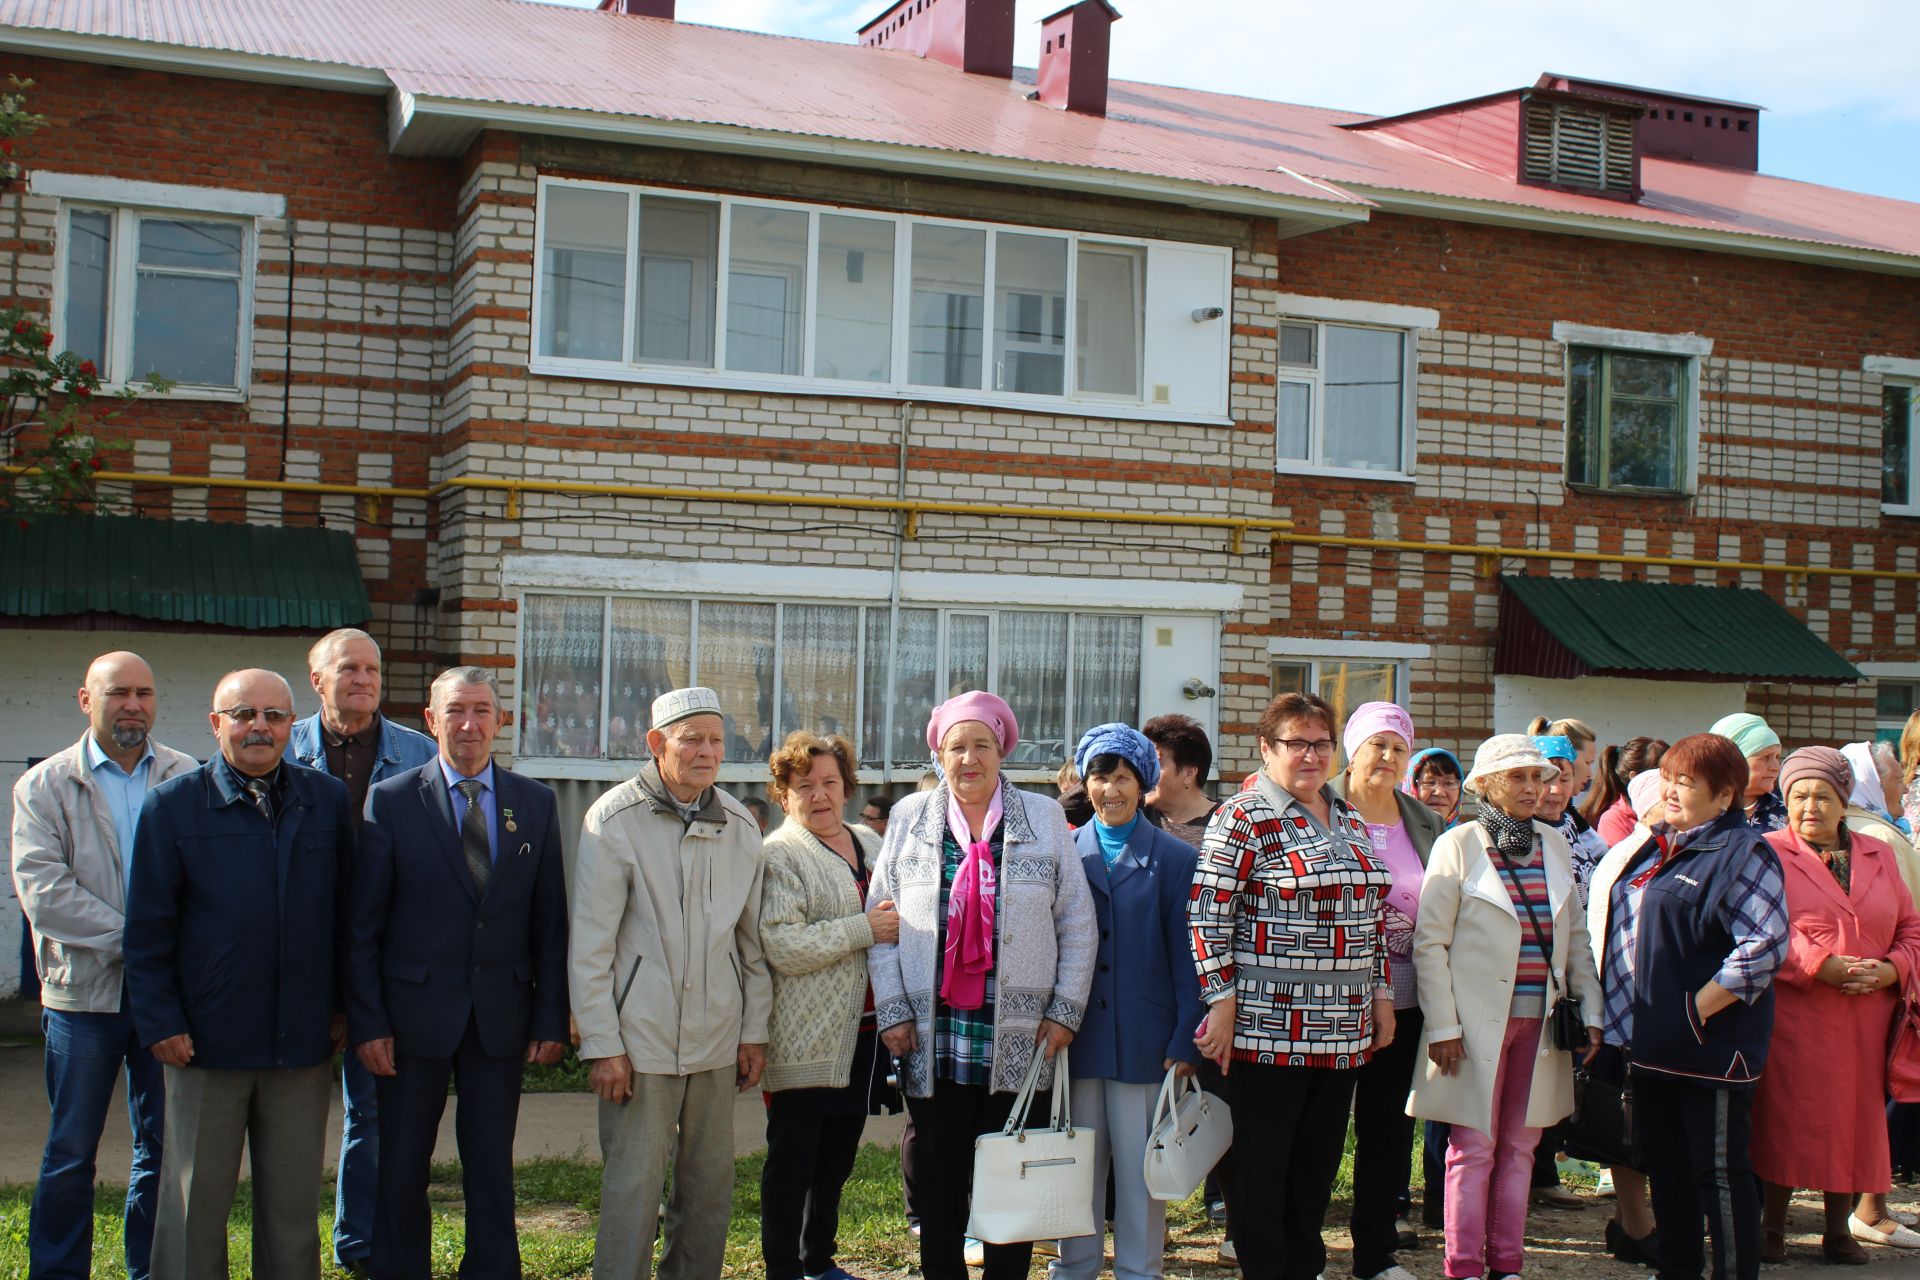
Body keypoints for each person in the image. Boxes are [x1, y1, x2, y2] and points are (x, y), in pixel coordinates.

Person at [125, 669, 355, 1280]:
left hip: (301, 1043)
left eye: (275, 716)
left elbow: (349, 917)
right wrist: (161, 1021)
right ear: (215, 723)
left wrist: (343, 1006)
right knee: (193, 1210)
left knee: (290, 1213)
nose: (260, 727)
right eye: (244, 714)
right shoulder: (172, 807)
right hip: (204, 1046)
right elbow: (147, 931)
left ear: (291, 724)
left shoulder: (325, 800)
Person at [346, 667, 569, 1280]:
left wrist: (550, 1014)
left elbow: (549, 921)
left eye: (481, 711)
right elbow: (363, 926)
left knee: (491, 1163)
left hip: (499, 1015)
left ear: (501, 720)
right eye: (455, 711)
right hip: (410, 1018)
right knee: (402, 1165)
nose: (468, 724)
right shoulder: (390, 799)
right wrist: (367, 1022)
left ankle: (493, 1268)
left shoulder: (536, 803)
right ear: (430, 718)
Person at [866, 691, 1096, 1280]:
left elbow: (1075, 920)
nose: (969, 758)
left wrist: (1065, 1010)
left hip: (1018, 1032)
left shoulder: (1042, 818)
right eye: (956, 746)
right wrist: (892, 1010)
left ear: (1002, 752)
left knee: (1009, 1181)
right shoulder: (910, 820)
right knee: (940, 1183)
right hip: (932, 1031)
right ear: (939, 754)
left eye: (981, 745)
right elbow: (882, 922)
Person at [1190, 690, 1395, 1280]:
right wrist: (1220, 1003)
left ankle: (1304, 1267)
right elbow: (1208, 914)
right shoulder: (1245, 816)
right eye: (1296, 743)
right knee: (1262, 1166)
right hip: (1267, 1024)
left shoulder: (1349, 814)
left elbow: (1371, 916)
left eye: (1321, 743)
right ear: (1266, 747)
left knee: (1316, 1163)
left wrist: (1381, 996)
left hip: (1344, 1027)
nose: (1310, 755)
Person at [569, 686, 772, 1280]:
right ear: (657, 744)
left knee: (708, 1189)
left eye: (716, 739)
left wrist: (753, 1032)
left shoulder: (738, 824)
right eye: (693, 739)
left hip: (716, 1036)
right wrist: (603, 1044)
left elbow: (752, 945)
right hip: (641, 1040)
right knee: (633, 1187)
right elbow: (591, 946)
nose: (708, 751)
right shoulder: (613, 819)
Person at [11, 652, 196, 1280]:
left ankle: (151, 1268)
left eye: (144, 692)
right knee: (70, 1150)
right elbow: (44, 891)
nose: (133, 705)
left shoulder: (184, 775)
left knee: (165, 1150)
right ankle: (59, 1272)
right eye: (118, 692)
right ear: (86, 701)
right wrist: (139, 942)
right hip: (81, 1000)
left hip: (165, 1002)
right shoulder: (44, 784)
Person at [1410, 734, 1604, 1280]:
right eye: (1518, 778)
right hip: (1473, 1027)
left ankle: (1508, 1264)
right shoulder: (1460, 844)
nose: (1532, 788)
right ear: (1489, 785)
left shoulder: (1555, 844)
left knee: (1522, 1147)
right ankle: (1464, 1266)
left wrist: (1591, 1011)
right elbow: (1430, 943)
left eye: (1537, 777)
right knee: (1473, 1147)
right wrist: (1443, 1025)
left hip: (1541, 1024)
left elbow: (1576, 940)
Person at [1602, 732, 1787, 1280]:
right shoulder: (1659, 843)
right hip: (1652, 1044)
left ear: (1726, 796)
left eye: (1688, 783)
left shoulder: (1744, 852)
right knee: (1667, 1170)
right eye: (1669, 779)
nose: (1673, 791)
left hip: (1711, 1049)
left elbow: (1764, 946)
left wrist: (1693, 1011)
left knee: (1720, 1174)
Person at [286, 626, 437, 1275]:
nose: (365, 680)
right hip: (298, 963)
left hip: (381, 964)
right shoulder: (280, 749)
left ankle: (359, 1244)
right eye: (349, 669)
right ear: (317, 680)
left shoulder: (416, 752)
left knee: (370, 1112)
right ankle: (288, 1248)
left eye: (373, 670)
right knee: (288, 1115)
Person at [1751, 747, 1920, 1262]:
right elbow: (1759, 925)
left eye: (1823, 796)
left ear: (1843, 800)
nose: (1810, 807)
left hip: (1868, 1015)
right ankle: (1773, 1229)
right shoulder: (1765, 853)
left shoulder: (1879, 853)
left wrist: (1893, 967)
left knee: (1856, 1122)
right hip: (1798, 1016)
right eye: (1799, 795)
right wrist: (1814, 963)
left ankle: (1838, 1229)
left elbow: (1911, 927)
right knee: (1788, 1118)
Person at [1053, 723, 1204, 1280]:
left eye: (1123, 778)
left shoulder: (1174, 859)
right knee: (1079, 1165)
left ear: (1143, 785)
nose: (1110, 790)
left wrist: (1188, 1035)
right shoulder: (1065, 852)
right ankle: (1077, 1266)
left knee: (1143, 1169)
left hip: (1147, 1041)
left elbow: (1190, 957)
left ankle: (1141, 1269)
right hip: (1076, 1035)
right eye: (1100, 777)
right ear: (1084, 783)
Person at [758, 732, 900, 1280]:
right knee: (793, 1161)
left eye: (830, 783)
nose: (819, 795)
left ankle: (820, 1259)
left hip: (863, 1033)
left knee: (837, 1159)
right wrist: (863, 928)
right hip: (804, 1036)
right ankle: (783, 1269)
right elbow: (782, 943)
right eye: (804, 786)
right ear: (782, 794)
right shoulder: (779, 855)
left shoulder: (869, 839)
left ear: (846, 788)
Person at [1331, 702, 1447, 1280]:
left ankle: (1374, 1253)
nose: (1388, 756)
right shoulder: (1317, 807)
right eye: (1377, 744)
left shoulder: (1425, 821)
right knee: (1320, 1130)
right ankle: (1302, 1249)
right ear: (1353, 749)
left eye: (1399, 747)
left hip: (1404, 1002)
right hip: (1327, 1000)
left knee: (1388, 1126)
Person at [1579, 767, 1669, 1268]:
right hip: (1624, 1015)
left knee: (1657, 1124)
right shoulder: (1626, 857)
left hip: (1663, 1016)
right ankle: (1636, 1223)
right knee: (1628, 1128)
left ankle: (1644, 1224)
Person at [1142, 712, 1219, 848]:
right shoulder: (1134, 814)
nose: (1145, 772)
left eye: (1155, 764)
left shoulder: (1225, 826)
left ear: (1188, 773)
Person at [1710, 712, 1786, 832]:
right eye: (1765, 757)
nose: (1776, 768)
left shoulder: (1789, 808)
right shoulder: (1702, 808)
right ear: (1733, 761)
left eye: (1777, 757)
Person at [1587, 737, 1670, 846]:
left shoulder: (1678, 812)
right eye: (1664, 778)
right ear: (1636, 779)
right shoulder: (1613, 821)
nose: (1672, 788)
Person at [1405, 748, 1465, 829]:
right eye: (1430, 782)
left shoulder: (1468, 839)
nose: (1439, 792)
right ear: (1411, 786)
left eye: (1449, 783)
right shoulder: (1391, 836)